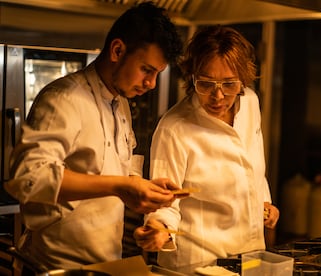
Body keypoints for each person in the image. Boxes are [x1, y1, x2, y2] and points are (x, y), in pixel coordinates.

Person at [4, 1, 183, 270]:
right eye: (147, 70)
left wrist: (145, 188)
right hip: (56, 267)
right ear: (118, 50)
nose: (151, 84)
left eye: (157, 74)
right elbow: (30, 178)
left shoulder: (120, 103)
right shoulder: (64, 98)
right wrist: (120, 187)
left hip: (105, 263)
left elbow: (119, 170)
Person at [134, 25, 280, 271]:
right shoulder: (174, 128)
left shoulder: (250, 103)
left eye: (229, 84)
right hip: (199, 263)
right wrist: (159, 231)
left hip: (251, 255)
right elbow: (165, 201)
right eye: (206, 84)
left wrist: (263, 202)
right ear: (192, 77)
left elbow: (253, 164)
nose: (218, 96)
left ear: (243, 80)